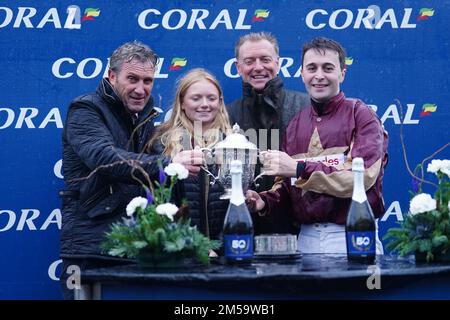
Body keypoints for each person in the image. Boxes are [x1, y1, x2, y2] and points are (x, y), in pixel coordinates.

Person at [59, 41, 203, 299]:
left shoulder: (146, 117)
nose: (140, 89)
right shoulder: (85, 109)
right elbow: (104, 158)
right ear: (112, 76)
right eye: (132, 79)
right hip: (89, 250)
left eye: (147, 81)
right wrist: (168, 164)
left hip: (133, 245)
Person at [246, 37, 388, 254]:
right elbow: (287, 188)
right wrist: (264, 202)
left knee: (359, 290)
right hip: (306, 238)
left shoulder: (361, 114)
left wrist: (300, 168)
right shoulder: (294, 125)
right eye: (312, 68)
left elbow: (362, 178)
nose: (319, 76)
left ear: (342, 73)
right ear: (302, 73)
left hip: (353, 234)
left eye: (328, 68)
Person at [227, 31, 309, 235]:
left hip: (301, 231)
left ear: (278, 63)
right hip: (244, 229)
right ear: (238, 67)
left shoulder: (306, 107)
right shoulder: (226, 115)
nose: (258, 67)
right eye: (249, 61)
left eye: (265, 59)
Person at [148, 68, 231, 245]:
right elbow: (160, 202)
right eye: (196, 98)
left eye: (211, 98)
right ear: (182, 103)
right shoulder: (161, 143)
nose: (204, 104)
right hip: (178, 248)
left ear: (220, 102)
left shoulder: (234, 144)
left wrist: (220, 247)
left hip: (225, 251)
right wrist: (192, 247)